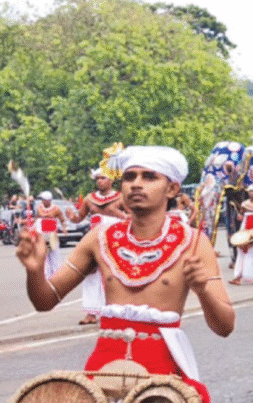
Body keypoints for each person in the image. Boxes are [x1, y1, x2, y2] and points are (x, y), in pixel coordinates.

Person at [16, 146, 235, 402]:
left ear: (172, 189)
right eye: (129, 177)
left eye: (149, 177)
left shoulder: (195, 243)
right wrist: (34, 272)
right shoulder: (99, 238)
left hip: (161, 386)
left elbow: (225, 327)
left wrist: (203, 290)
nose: (136, 185)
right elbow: (44, 301)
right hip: (100, 379)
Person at [66, 168, 128, 325]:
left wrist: (117, 214)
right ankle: (91, 313)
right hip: (94, 241)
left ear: (111, 180)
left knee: (114, 276)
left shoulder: (121, 197)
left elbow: (132, 217)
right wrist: (70, 216)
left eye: (103, 178)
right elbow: (78, 218)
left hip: (115, 241)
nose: (100, 181)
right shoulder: (89, 199)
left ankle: (115, 311)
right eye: (98, 178)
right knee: (90, 275)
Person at [34, 191, 67, 279]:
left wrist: (64, 228)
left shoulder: (56, 209)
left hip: (52, 236)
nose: (42, 201)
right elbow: (36, 219)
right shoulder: (39, 208)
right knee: (44, 257)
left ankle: (57, 277)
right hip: (42, 236)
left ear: (48, 200)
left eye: (43, 200)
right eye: (42, 200)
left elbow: (62, 220)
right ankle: (45, 277)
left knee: (54, 256)